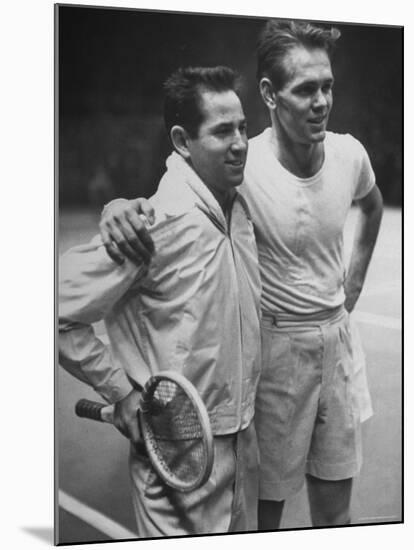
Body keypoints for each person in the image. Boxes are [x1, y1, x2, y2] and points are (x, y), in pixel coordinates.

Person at [98, 20, 384, 529]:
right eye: (305, 89)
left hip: (338, 345)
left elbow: (372, 203)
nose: (321, 101)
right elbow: (171, 197)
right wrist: (119, 206)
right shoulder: (241, 162)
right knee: (262, 519)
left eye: (328, 86)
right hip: (275, 358)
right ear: (271, 95)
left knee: (336, 514)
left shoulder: (350, 154)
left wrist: (354, 281)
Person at [58, 66, 263, 537]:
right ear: (181, 140)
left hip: (240, 449)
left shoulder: (240, 204)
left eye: (243, 127)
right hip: (177, 461)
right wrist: (122, 394)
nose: (239, 143)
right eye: (222, 131)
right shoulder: (153, 226)